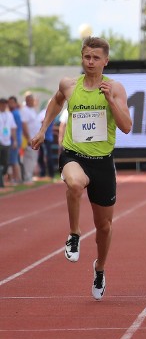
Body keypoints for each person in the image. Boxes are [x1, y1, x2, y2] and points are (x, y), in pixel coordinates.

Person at [30, 37, 132, 300]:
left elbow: (126, 126)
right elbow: (55, 101)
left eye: (96, 58)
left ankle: (99, 267)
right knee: (74, 183)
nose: (90, 62)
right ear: (82, 57)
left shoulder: (115, 88)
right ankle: (74, 234)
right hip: (74, 154)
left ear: (105, 61)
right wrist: (43, 130)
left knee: (105, 227)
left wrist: (110, 101)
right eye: (87, 57)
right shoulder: (69, 84)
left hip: (103, 163)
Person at [20, 92, 40, 183]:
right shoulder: (25, 110)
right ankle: (27, 177)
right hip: (30, 138)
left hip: (35, 138)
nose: (33, 101)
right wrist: (28, 138)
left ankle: (30, 176)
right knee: (28, 158)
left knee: (33, 158)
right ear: (28, 100)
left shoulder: (32, 109)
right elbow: (24, 125)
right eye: (32, 100)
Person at [0, 98, 18, 187]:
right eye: (1, 104)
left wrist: (14, 140)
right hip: (0, 141)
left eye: (4, 104)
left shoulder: (9, 115)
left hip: (7, 142)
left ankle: (3, 179)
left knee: (6, 163)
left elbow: (13, 128)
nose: (3, 106)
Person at [7, 96, 23, 185]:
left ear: (15, 103)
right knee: (15, 159)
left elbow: (14, 128)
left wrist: (15, 141)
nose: (10, 104)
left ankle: (16, 179)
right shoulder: (14, 112)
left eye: (12, 102)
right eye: (9, 102)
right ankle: (16, 178)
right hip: (15, 139)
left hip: (14, 140)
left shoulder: (14, 113)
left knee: (14, 161)